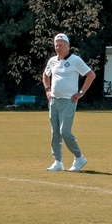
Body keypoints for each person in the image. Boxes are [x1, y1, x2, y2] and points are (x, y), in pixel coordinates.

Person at [42, 33, 95, 172]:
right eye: (56, 45)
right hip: (53, 101)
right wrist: (47, 89)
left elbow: (91, 75)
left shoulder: (75, 60)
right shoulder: (52, 61)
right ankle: (58, 162)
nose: (58, 48)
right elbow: (46, 75)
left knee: (65, 131)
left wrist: (81, 93)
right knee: (55, 133)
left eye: (60, 45)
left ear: (67, 46)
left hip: (68, 101)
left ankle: (79, 158)